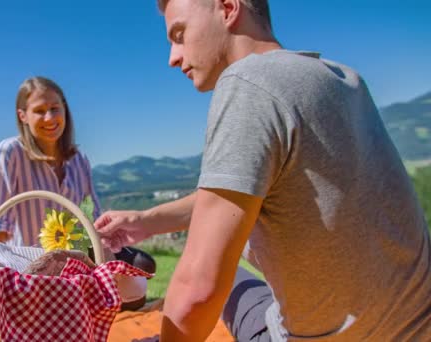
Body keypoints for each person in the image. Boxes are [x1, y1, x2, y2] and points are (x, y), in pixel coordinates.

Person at [94, 0, 431, 340]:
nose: (173, 57)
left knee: (211, 275)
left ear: (227, 8)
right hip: (414, 326)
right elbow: (241, 191)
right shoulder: (343, 80)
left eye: (179, 34)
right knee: (238, 279)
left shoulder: (247, 82)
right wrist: (146, 221)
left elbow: (199, 287)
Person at [0, 76, 155, 310]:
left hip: (79, 256)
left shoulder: (78, 160)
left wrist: (106, 260)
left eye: (55, 108)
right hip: (30, 263)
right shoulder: (10, 153)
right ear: (22, 116)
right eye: (39, 111)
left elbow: (94, 216)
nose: (50, 118)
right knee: (125, 283)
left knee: (142, 266)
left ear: (65, 109)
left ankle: (98, 313)